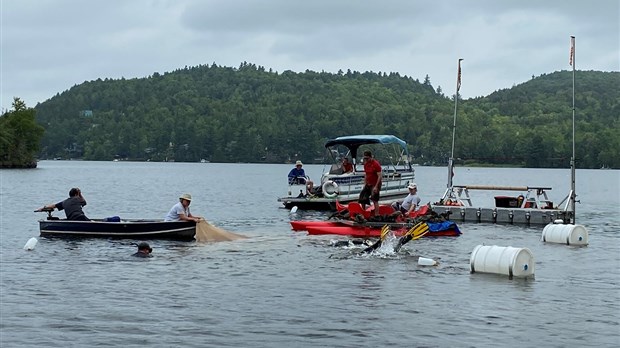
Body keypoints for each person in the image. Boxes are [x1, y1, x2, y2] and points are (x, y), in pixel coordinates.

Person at [358, 150, 382, 216]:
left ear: (371, 157)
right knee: (363, 198)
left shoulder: (376, 164)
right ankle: (363, 212)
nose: (366, 160)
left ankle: (377, 214)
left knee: (375, 199)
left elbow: (380, 176)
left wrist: (376, 186)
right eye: (364, 158)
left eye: (367, 158)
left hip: (375, 184)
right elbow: (366, 174)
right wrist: (365, 183)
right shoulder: (366, 164)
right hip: (368, 183)